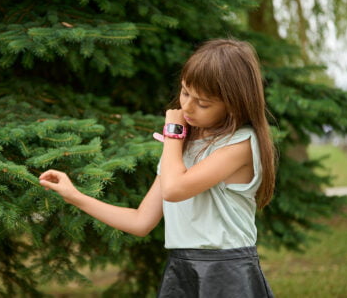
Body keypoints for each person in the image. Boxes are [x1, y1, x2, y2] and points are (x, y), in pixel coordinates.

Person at [39, 38, 276, 297]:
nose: (186, 107)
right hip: (181, 269)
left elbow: (174, 189)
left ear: (233, 105)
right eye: (185, 92)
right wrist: (75, 196)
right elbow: (141, 221)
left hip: (226, 272)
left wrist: (173, 134)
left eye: (203, 103)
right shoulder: (181, 149)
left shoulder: (240, 144)